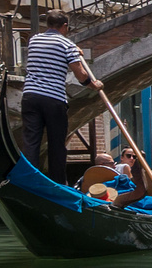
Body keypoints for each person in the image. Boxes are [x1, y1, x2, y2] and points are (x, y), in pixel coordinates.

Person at [22, 10, 103, 183]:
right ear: (65, 26)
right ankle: (58, 183)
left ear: (48, 24)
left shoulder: (34, 40)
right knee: (56, 144)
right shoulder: (67, 45)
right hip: (53, 99)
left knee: (31, 141)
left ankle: (29, 179)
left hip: (30, 96)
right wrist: (93, 84)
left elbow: (51, 51)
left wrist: (74, 50)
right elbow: (80, 75)